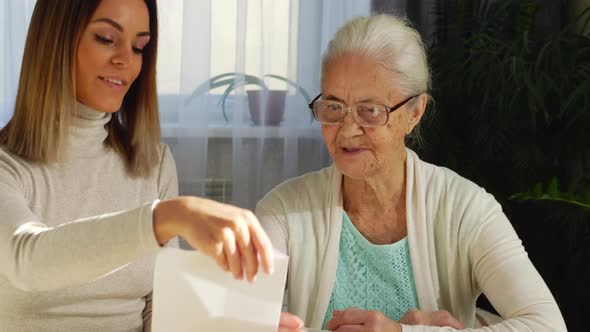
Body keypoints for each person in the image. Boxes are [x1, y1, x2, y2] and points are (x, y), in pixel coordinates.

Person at [0, 1, 299, 331]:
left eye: (139, 46)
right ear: (55, 41)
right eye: (105, 38)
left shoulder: (153, 164)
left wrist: (232, 326)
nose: (126, 61)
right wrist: (168, 217)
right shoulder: (8, 166)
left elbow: (161, 313)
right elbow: (26, 260)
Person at [256, 15, 567, 332]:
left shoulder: (466, 208)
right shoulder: (283, 210)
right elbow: (233, 320)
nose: (347, 131)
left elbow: (547, 326)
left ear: (414, 112)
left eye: (370, 110)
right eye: (334, 107)